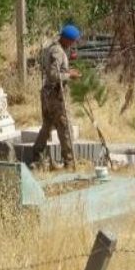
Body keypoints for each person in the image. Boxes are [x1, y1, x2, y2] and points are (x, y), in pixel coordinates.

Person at [30, 24, 82, 168]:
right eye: (73, 41)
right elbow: (53, 75)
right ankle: (70, 162)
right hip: (55, 96)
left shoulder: (53, 48)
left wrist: (67, 71)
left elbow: (55, 70)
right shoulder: (58, 52)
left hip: (48, 94)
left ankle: (37, 156)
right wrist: (69, 75)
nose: (74, 44)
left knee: (47, 126)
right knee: (65, 128)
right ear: (66, 39)